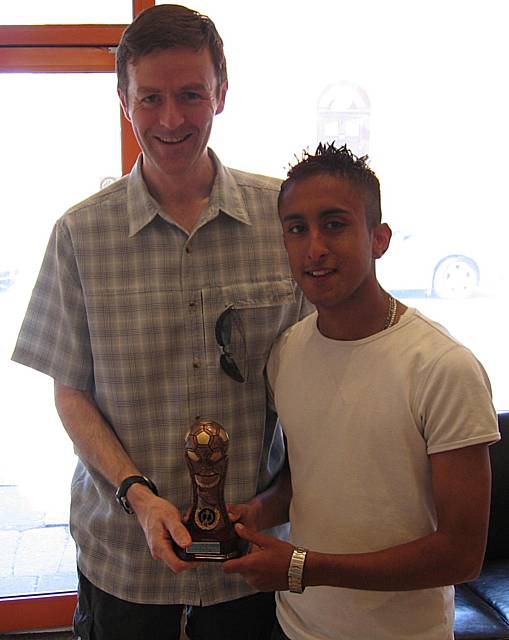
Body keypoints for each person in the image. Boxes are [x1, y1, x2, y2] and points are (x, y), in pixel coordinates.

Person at [11, 5, 310, 640]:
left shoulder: (284, 219)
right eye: (151, 98)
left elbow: (324, 380)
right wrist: (138, 497)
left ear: (221, 93)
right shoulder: (80, 234)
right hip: (125, 566)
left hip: (252, 563)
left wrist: (276, 502)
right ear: (125, 99)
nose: (171, 119)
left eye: (190, 94)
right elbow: (71, 392)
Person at [224, 143, 500, 640]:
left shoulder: (442, 367)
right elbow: (311, 481)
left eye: (334, 224)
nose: (315, 248)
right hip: (297, 628)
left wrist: (304, 569)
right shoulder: (287, 354)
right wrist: (260, 511)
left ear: (379, 238)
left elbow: (462, 555)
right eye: (296, 228)